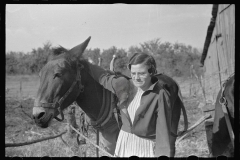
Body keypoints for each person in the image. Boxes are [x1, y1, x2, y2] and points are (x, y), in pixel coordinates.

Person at [88, 53, 184, 157]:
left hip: (145, 148)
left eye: (142, 73)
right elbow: (104, 78)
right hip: (124, 144)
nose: (136, 78)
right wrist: (82, 63)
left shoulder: (160, 94)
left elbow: (163, 132)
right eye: (133, 73)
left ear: (152, 72)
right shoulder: (124, 85)